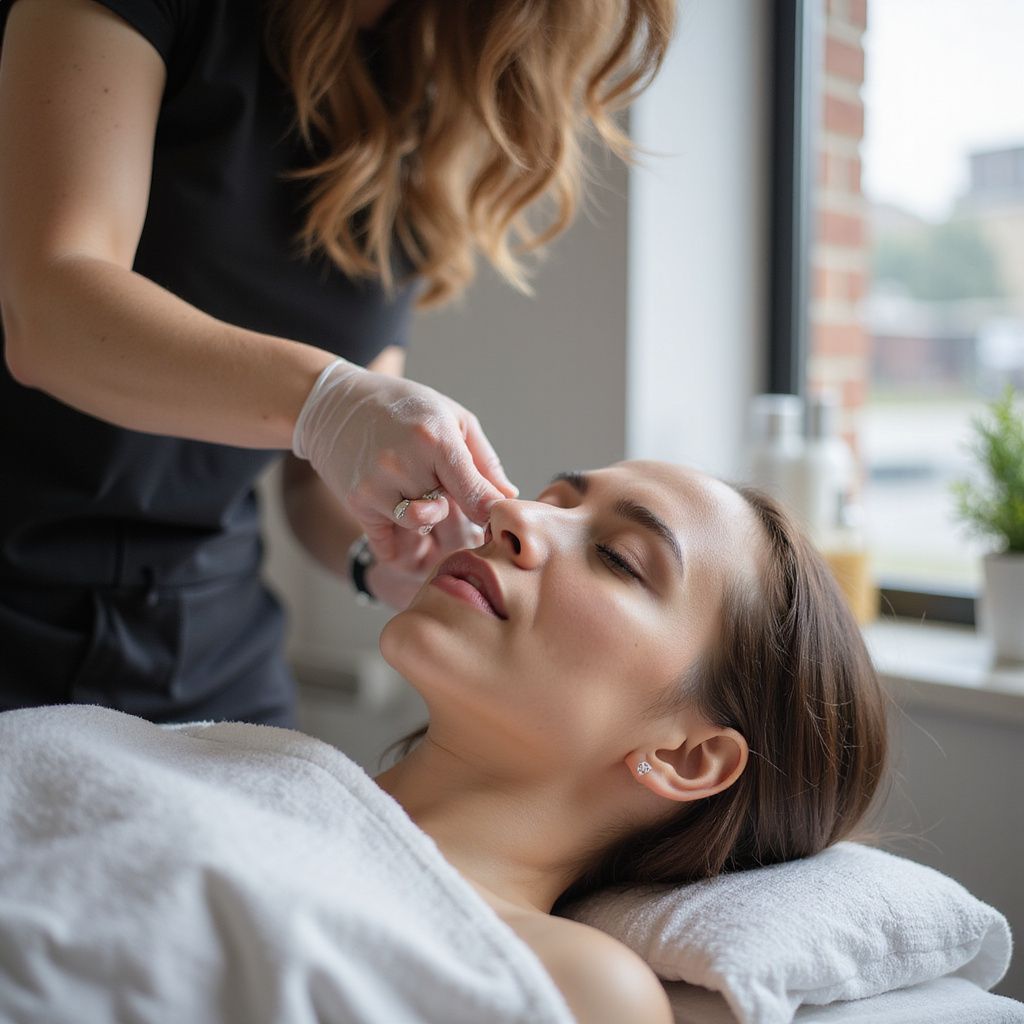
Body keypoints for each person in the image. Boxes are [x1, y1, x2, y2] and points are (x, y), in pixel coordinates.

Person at [0, 459, 890, 1022]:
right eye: (551, 498)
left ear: (687, 757)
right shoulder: (225, 763)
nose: (513, 516)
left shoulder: (576, 983)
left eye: (620, 557)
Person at [0, 0, 675, 725]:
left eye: (620, 561)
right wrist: (327, 401)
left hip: (205, 649)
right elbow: (47, 312)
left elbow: (316, 478)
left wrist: (386, 553)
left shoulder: (423, 94)